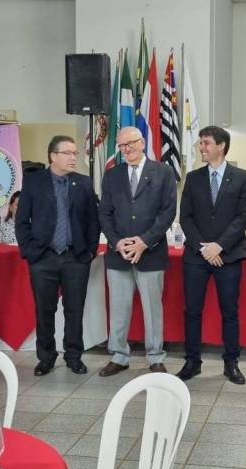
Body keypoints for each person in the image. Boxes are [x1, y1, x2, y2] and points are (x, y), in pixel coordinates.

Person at [15, 136, 99, 377]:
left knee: (75, 310)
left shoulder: (83, 183)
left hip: (76, 257)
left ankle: (74, 356)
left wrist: (90, 251)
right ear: (53, 156)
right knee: (44, 310)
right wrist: (30, 251)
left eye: (75, 153)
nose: (73, 158)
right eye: (68, 153)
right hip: (43, 257)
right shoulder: (34, 182)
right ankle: (46, 357)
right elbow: (22, 220)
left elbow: (93, 220)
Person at [176, 126, 246, 385]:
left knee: (229, 312)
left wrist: (219, 246)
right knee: (192, 311)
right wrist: (204, 248)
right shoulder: (193, 178)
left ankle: (231, 363)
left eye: (206, 143)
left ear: (221, 146)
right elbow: (185, 217)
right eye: (201, 143)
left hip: (228, 256)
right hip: (196, 256)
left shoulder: (242, 177)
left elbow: (242, 217)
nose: (202, 147)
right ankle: (192, 362)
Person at [97, 127, 177, 376]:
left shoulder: (163, 172)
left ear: (142, 142)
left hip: (151, 253)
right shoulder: (112, 175)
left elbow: (168, 212)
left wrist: (144, 242)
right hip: (118, 253)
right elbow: (105, 213)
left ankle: (155, 357)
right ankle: (119, 356)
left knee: (153, 309)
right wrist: (116, 242)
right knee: (118, 308)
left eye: (130, 143)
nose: (127, 149)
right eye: (122, 146)